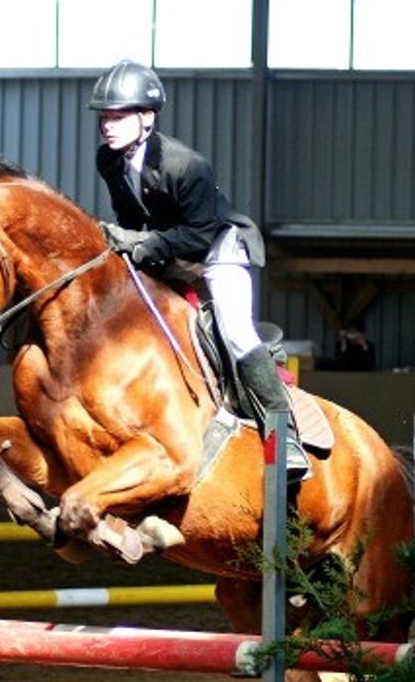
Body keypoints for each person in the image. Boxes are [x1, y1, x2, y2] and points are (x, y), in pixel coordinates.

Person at [88, 59, 310, 480]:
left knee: (236, 331)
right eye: (104, 117)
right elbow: (132, 218)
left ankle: (286, 435)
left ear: (147, 117)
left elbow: (199, 234)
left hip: (219, 249)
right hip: (171, 250)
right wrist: (127, 244)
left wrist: (142, 244)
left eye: (118, 116)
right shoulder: (109, 161)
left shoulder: (186, 165)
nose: (108, 125)